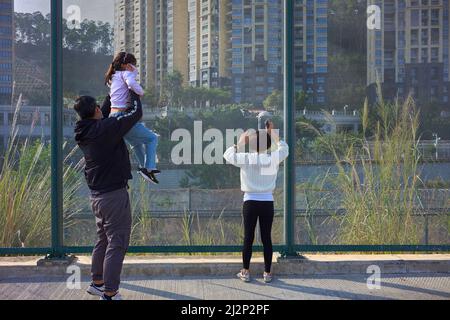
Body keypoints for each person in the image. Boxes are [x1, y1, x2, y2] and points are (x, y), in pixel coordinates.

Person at [74, 92, 143, 300]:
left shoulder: (84, 129)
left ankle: (97, 283)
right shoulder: (107, 128)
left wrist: (113, 90)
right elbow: (135, 113)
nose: (100, 110)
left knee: (103, 239)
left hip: (97, 196)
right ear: (94, 111)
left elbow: (102, 113)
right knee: (117, 241)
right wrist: (133, 93)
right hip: (113, 195)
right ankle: (111, 293)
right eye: (97, 107)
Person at [223, 121, 289, 283]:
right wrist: (275, 137)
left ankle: (245, 271)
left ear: (251, 145)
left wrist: (239, 142)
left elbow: (228, 155)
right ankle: (267, 273)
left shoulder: (245, 158)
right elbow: (284, 149)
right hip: (267, 201)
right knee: (266, 237)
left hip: (250, 201)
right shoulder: (272, 158)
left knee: (248, 237)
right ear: (267, 145)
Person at [105, 51, 160, 184]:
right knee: (152, 138)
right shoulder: (125, 73)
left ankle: (143, 167)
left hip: (113, 117)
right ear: (126, 65)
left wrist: (132, 70)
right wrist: (141, 91)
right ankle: (149, 167)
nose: (134, 67)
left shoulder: (114, 76)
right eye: (133, 65)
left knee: (136, 143)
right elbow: (131, 83)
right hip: (122, 116)